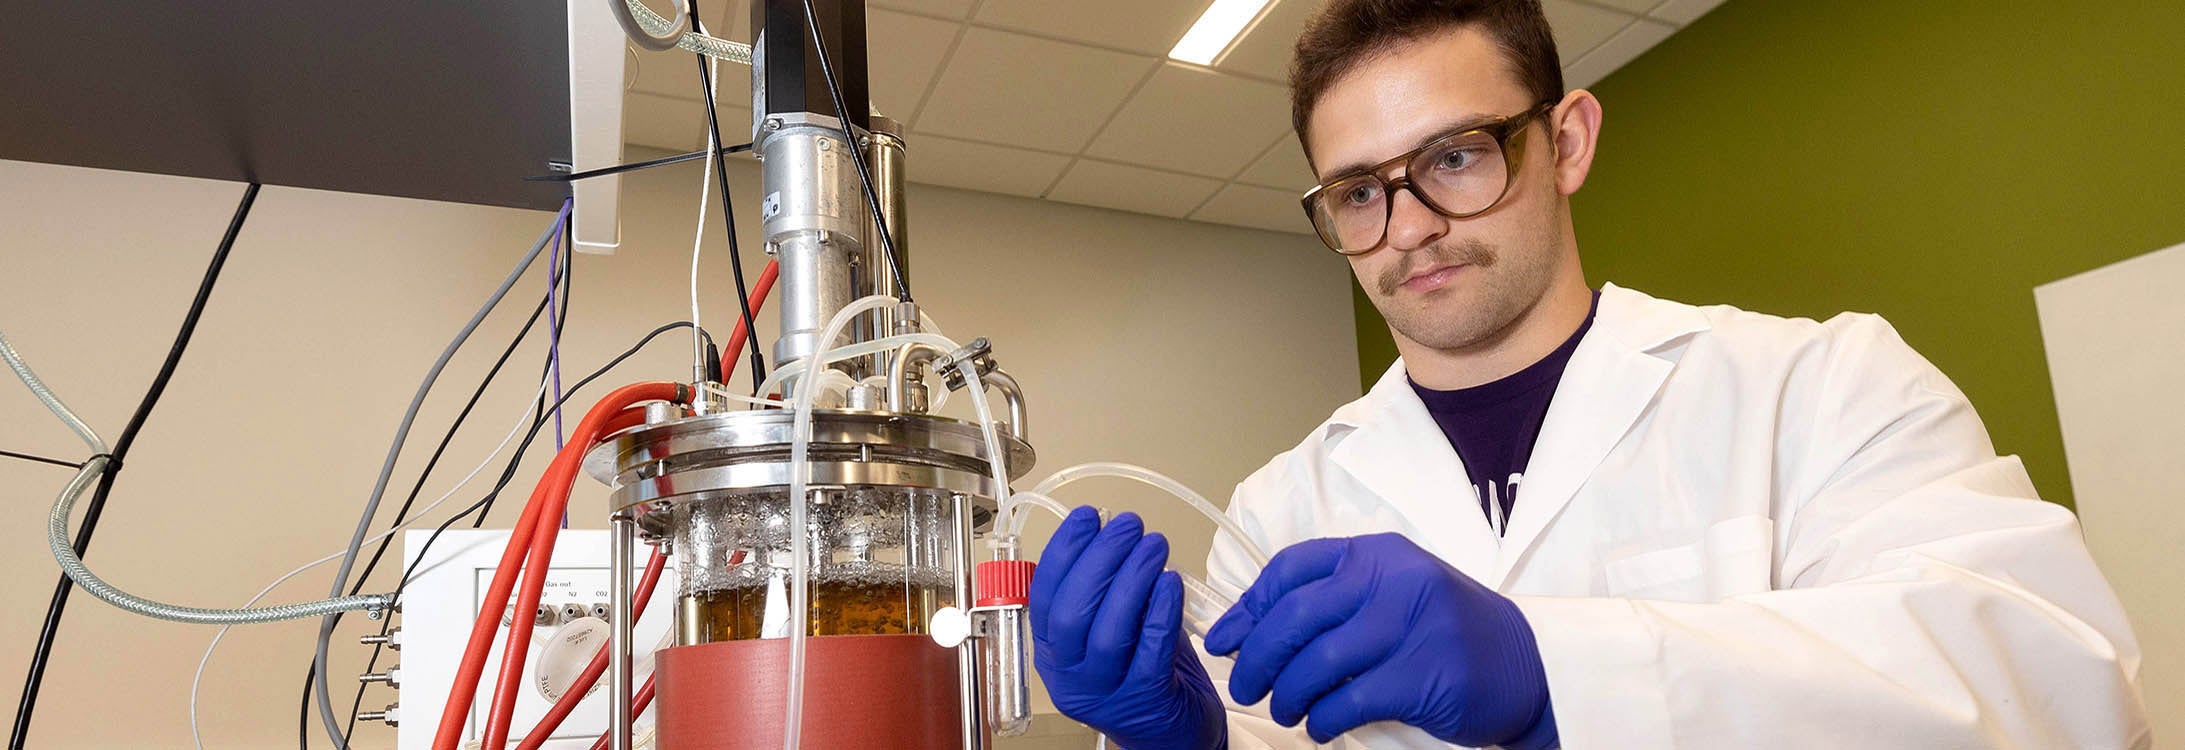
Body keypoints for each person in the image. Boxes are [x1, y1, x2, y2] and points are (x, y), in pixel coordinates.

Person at [1025, 0, 2151, 747]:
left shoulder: (1819, 386)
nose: (1407, 226)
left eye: (1454, 157)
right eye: (1360, 192)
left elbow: (2065, 691)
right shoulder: (1283, 508)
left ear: (1565, 141)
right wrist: (1178, 737)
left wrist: (1553, 671)